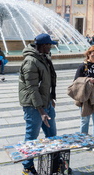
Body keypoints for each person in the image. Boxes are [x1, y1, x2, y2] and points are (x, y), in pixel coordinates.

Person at [19, 33, 57, 175]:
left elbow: (48, 81)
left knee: (52, 135)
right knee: (31, 137)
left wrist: (51, 98)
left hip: (45, 102)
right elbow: (32, 88)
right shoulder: (30, 62)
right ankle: (27, 166)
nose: (51, 47)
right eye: (49, 44)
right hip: (33, 106)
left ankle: (55, 163)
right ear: (42, 45)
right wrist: (41, 111)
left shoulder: (44, 57)